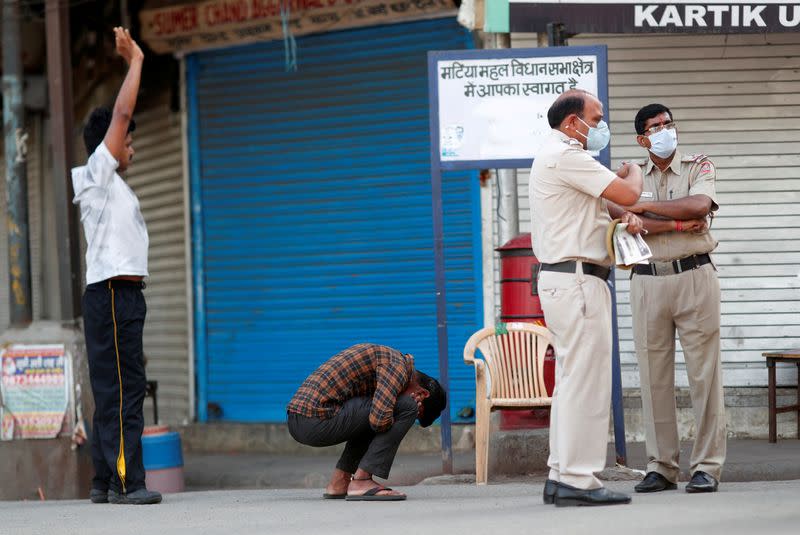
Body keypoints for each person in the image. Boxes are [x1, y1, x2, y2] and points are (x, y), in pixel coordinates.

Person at [530, 89, 643, 507]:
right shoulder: (568, 155)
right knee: (587, 383)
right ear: (571, 122)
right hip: (577, 281)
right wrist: (634, 173)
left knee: (572, 382)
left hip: (568, 280)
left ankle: (561, 474)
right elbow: (627, 194)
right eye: (595, 119)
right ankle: (578, 479)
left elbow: (605, 208)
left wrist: (620, 214)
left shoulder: (561, 158)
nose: (600, 126)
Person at [72, 28, 161, 505]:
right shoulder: (97, 175)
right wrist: (136, 61)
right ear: (111, 141)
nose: (132, 146)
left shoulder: (105, 186)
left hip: (115, 296)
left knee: (112, 390)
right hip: (112, 296)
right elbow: (123, 112)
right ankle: (130, 483)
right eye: (128, 140)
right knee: (125, 393)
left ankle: (104, 481)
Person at [623, 103, 725, 494]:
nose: (665, 130)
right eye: (656, 126)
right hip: (647, 280)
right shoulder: (631, 174)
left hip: (694, 275)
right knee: (653, 377)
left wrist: (645, 208)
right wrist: (678, 223)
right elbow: (618, 209)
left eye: (668, 123)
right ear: (642, 138)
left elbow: (700, 204)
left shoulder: (699, 165)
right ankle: (661, 466)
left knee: (705, 376)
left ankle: (707, 466)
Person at [286, 343, 446, 501]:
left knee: (381, 405)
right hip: (314, 419)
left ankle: (339, 482)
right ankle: (362, 481)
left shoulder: (391, 361)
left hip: (299, 419)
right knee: (403, 407)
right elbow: (378, 421)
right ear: (423, 393)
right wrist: (405, 412)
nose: (414, 413)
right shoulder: (397, 367)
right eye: (420, 411)